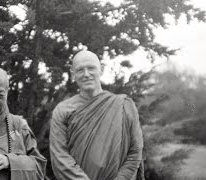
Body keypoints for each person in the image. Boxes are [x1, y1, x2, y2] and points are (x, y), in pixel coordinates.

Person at [49, 50, 144, 180]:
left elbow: (135, 152)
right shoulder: (63, 110)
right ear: (73, 74)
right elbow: (60, 156)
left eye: (91, 68)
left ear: (101, 69)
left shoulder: (123, 105)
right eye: (80, 70)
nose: (86, 74)